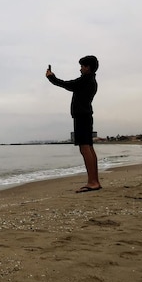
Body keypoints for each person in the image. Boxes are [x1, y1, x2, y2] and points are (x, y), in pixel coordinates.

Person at [46, 56, 101, 193]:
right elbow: (71, 85)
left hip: (82, 116)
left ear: (88, 67)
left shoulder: (86, 80)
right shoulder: (91, 80)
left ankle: (93, 182)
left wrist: (51, 77)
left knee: (85, 148)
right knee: (89, 147)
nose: (80, 68)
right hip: (86, 115)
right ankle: (95, 181)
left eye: (82, 66)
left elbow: (67, 84)